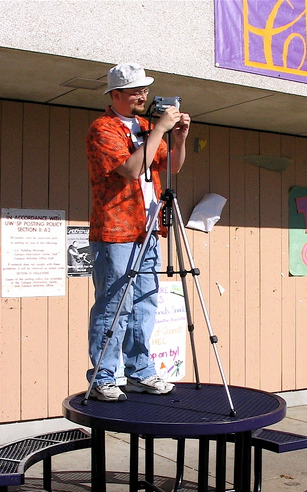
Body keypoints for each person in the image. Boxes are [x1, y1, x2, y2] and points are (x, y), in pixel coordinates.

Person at [85, 63, 191, 402]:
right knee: (115, 303)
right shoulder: (103, 129)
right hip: (115, 230)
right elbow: (132, 169)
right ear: (115, 94)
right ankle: (103, 375)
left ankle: (140, 371)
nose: (142, 95)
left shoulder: (148, 127)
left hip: (147, 229)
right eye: (134, 91)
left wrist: (179, 138)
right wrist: (160, 128)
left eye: (144, 89)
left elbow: (171, 165)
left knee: (145, 303)